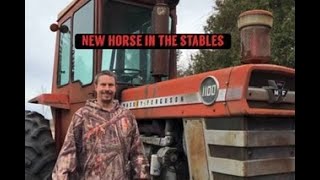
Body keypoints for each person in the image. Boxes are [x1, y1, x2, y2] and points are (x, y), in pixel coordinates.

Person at [52, 70, 150, 180]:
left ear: (115, 87)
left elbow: (137, 154)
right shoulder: (82, 116)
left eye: (110, 85)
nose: (107, 89)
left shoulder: (127, 117)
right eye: (103, 85)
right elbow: (68, 153)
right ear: (96, 87)